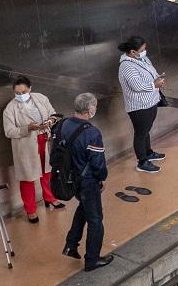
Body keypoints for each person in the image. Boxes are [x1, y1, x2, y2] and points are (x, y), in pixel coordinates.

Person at [59, 93, 114, 272]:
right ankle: (92, 260)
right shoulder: (91, 132)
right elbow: (98, 163)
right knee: (96, 219)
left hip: (70, 178)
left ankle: (71, 245)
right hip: (88, 181)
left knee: (83, 207)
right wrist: (102, 178)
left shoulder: (64, 124)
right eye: (95, 107)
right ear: (90, 110)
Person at [1, 77, 62, 223]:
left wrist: (50, 121)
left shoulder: (41, 98)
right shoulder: (10, 109)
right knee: (28, 178)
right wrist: (27, 128)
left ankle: (50, 198)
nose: (21, 95)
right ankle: (31, 210)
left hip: (44, 140)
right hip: (26, 146)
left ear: (30, 88)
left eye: (23, 91)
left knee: (47, 172)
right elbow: (9, 131)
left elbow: (53, 113)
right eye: (17, 92)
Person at [117, 37, 165, 174]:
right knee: (140, 133)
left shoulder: (141, 59)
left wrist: (159, 79)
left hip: (151, 101)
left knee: (146, 130)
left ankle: (148, 153)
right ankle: (142, 161)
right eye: (142, 50)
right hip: (139, 106)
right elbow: (136, 85)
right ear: (132, 52)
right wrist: (154, 85)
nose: (145, 52)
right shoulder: (126, 66)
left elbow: (151, 70)